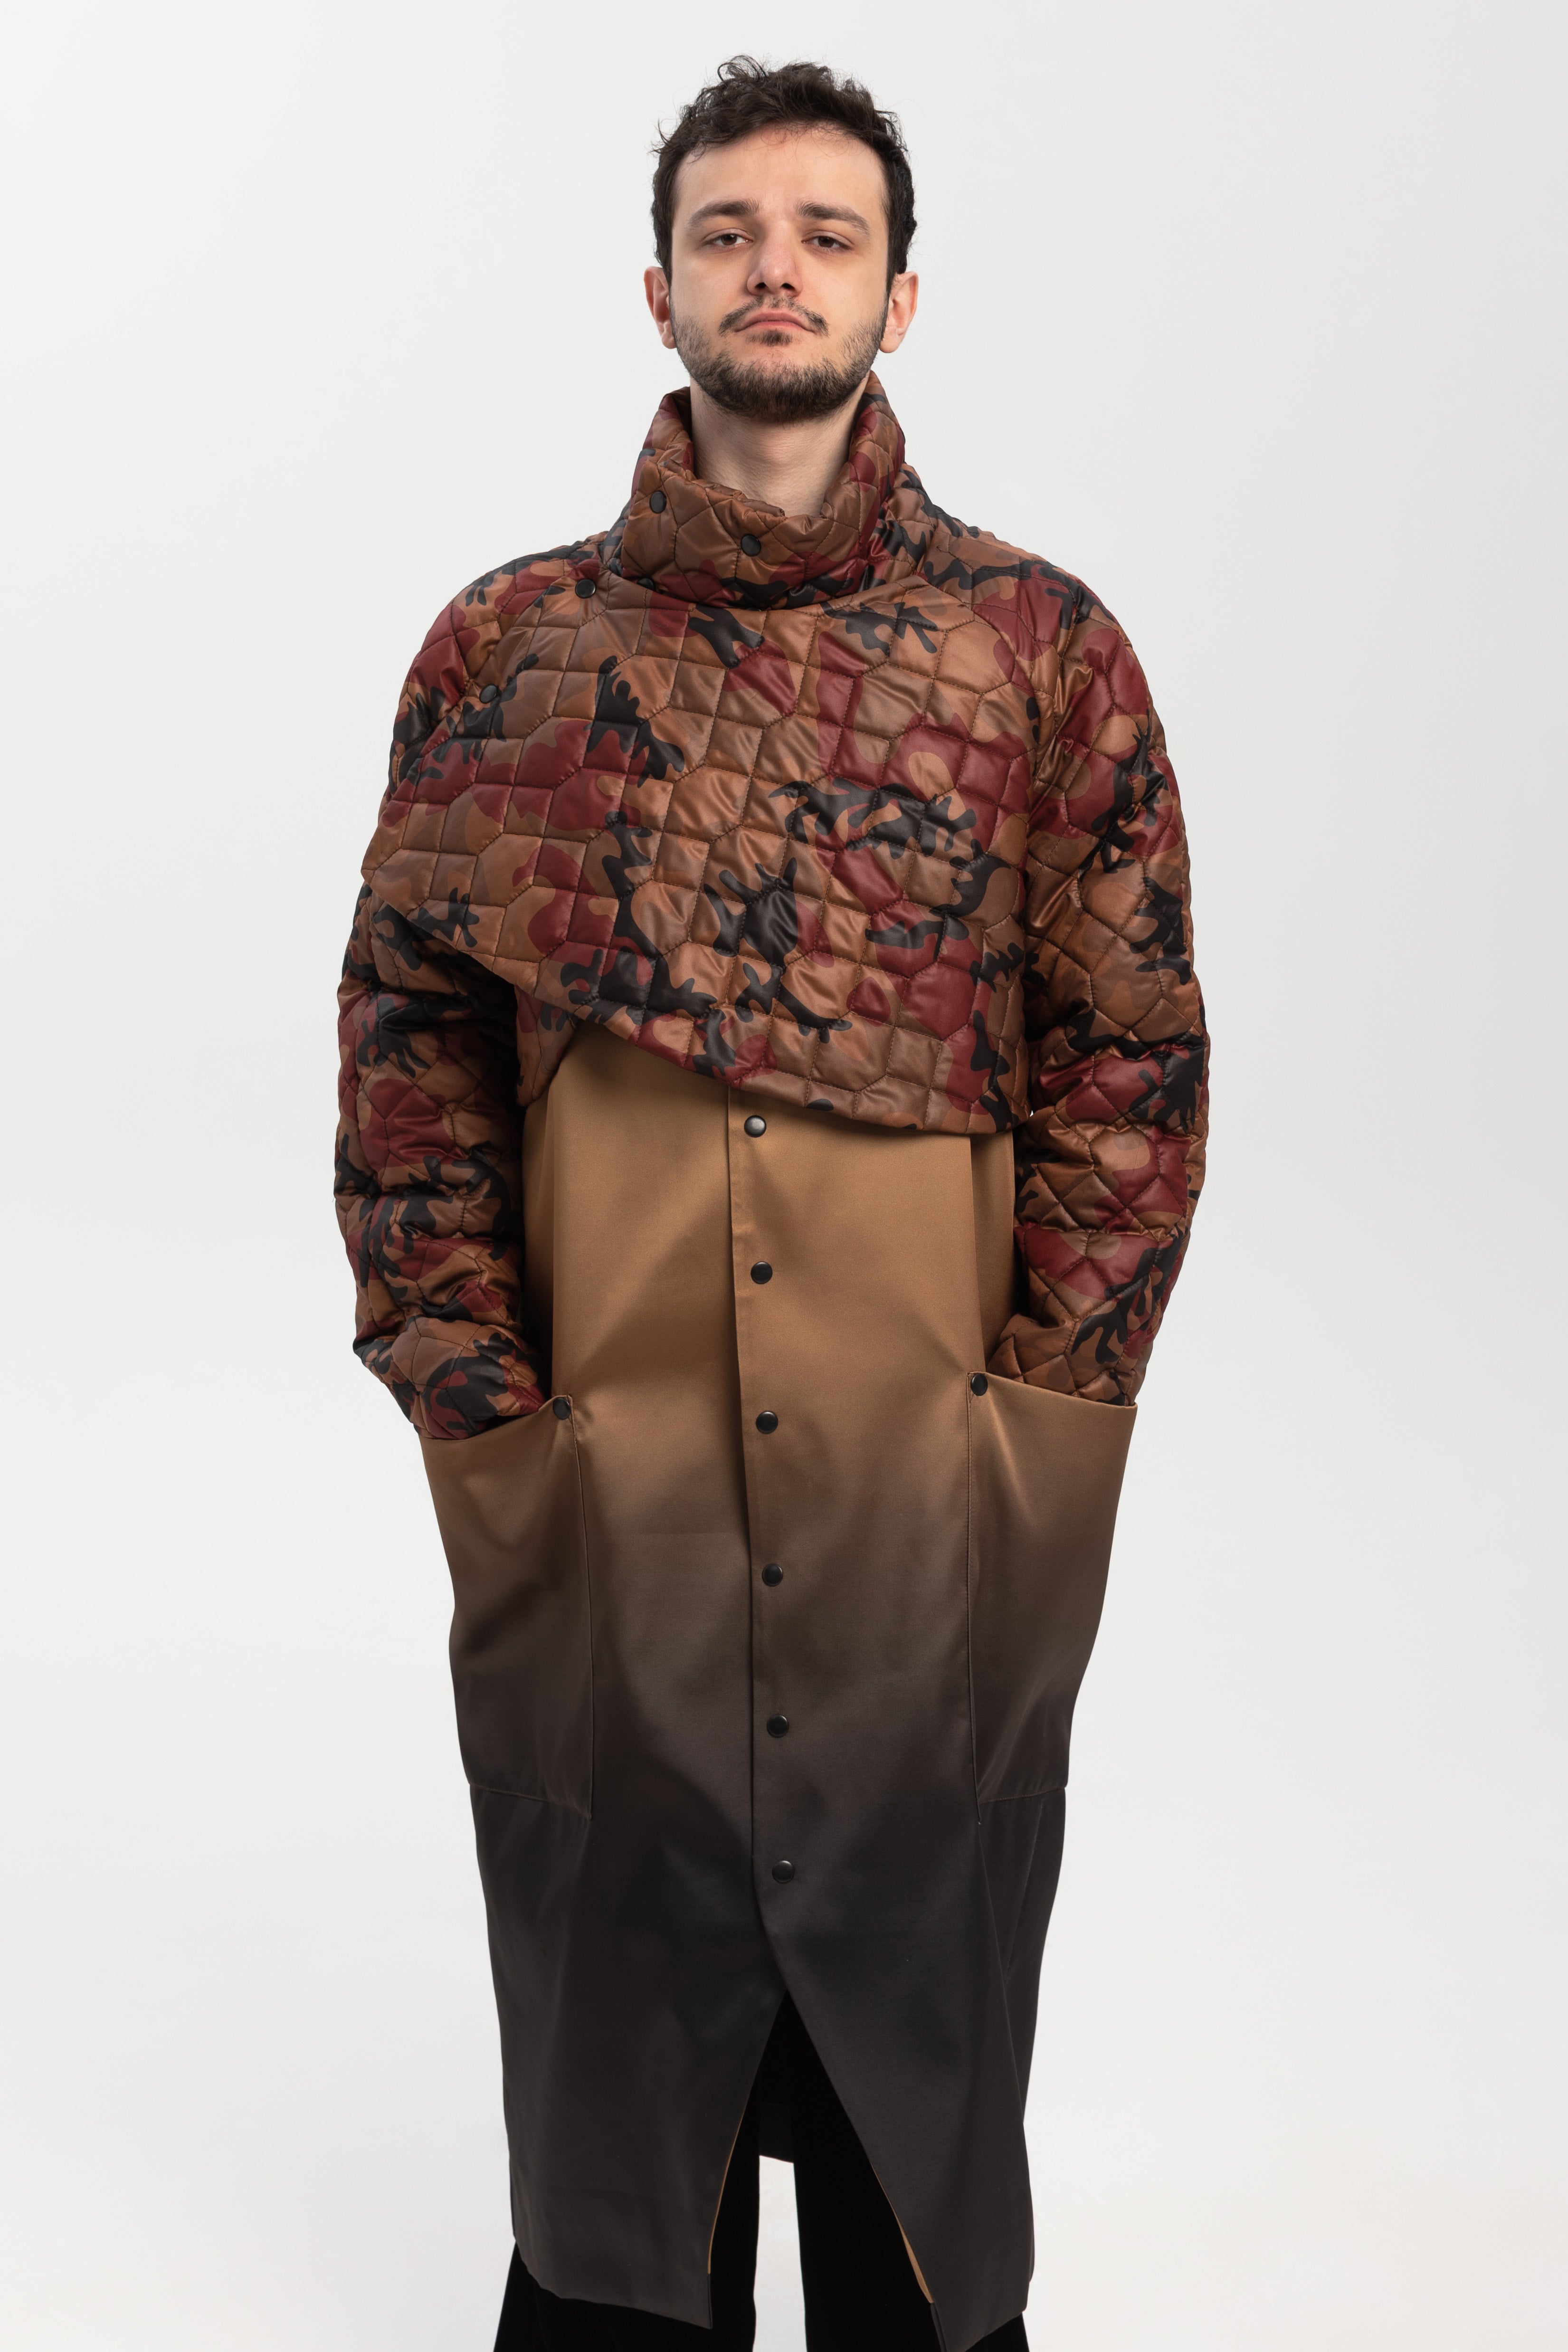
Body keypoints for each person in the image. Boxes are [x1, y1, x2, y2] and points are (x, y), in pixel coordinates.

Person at [334, 54, 1207, 2352]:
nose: (776, 268)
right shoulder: (510, 650)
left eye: (828, 234)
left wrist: (1038, 1416)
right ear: (658, 288)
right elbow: (410, 1053)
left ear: (902, 296)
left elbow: (1127, 1057)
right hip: (598, 1466)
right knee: (622, 2073)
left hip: (940, 1473)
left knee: (918, 2049)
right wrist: (482, 1407)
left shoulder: (1037, 651)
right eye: (727, 232)